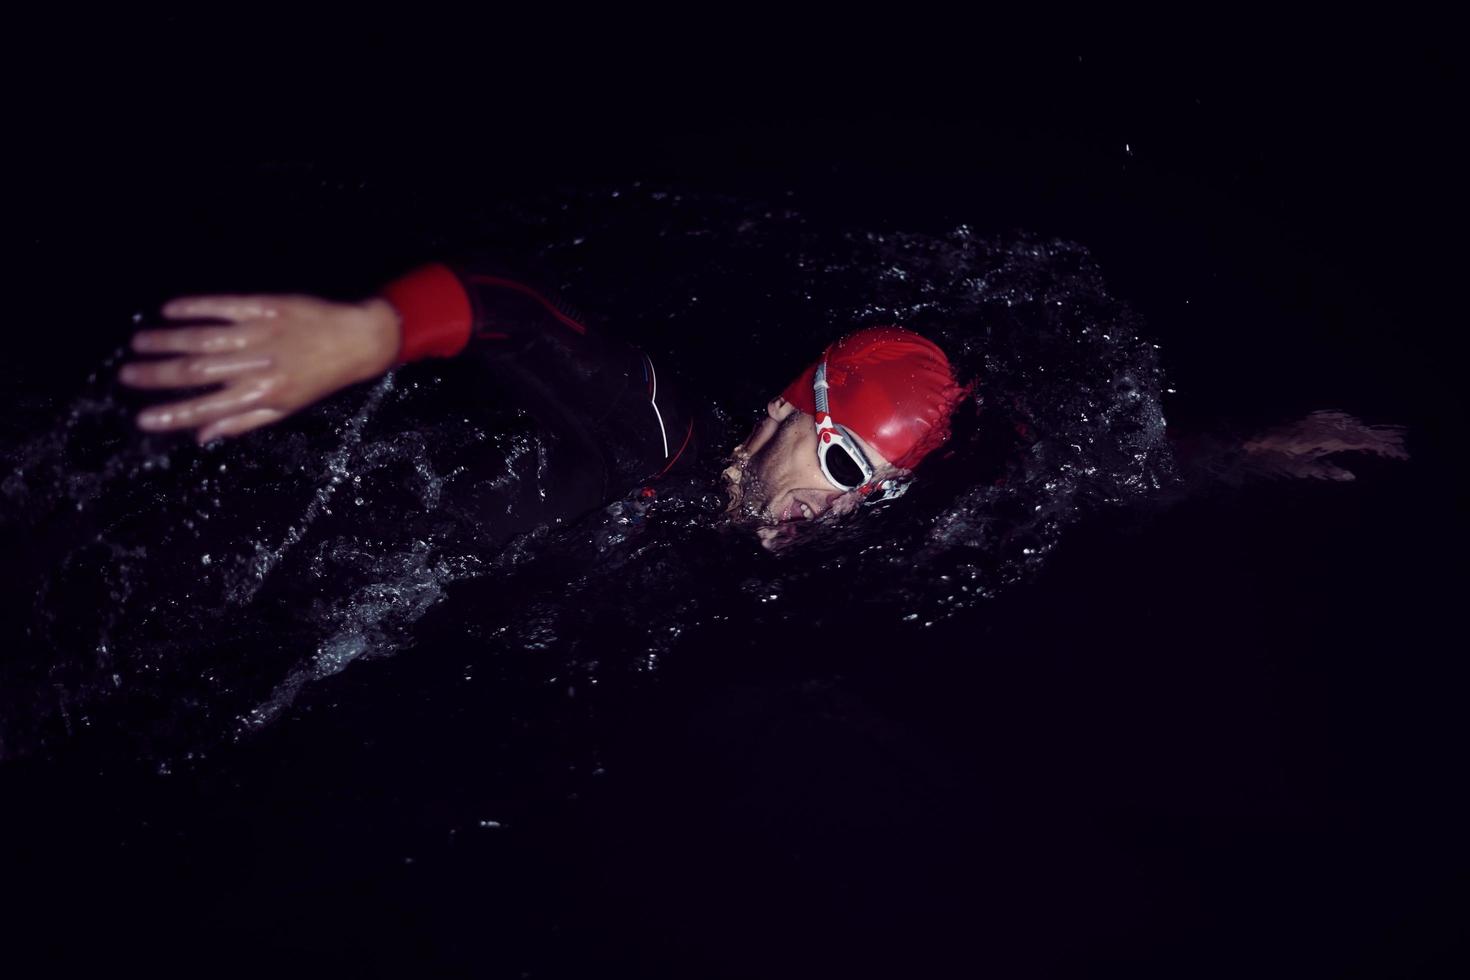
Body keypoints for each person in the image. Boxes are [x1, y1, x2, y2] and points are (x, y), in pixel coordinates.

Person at [117, 253, 1407, 552]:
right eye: (842, 468)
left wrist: (1247, 448)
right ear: (793, 413)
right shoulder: (665, 433)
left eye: (878, 493)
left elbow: (1093, 462)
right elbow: (511, 309)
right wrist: (374, 332)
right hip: (359, 531)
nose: (839, 512)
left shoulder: (802, 532)